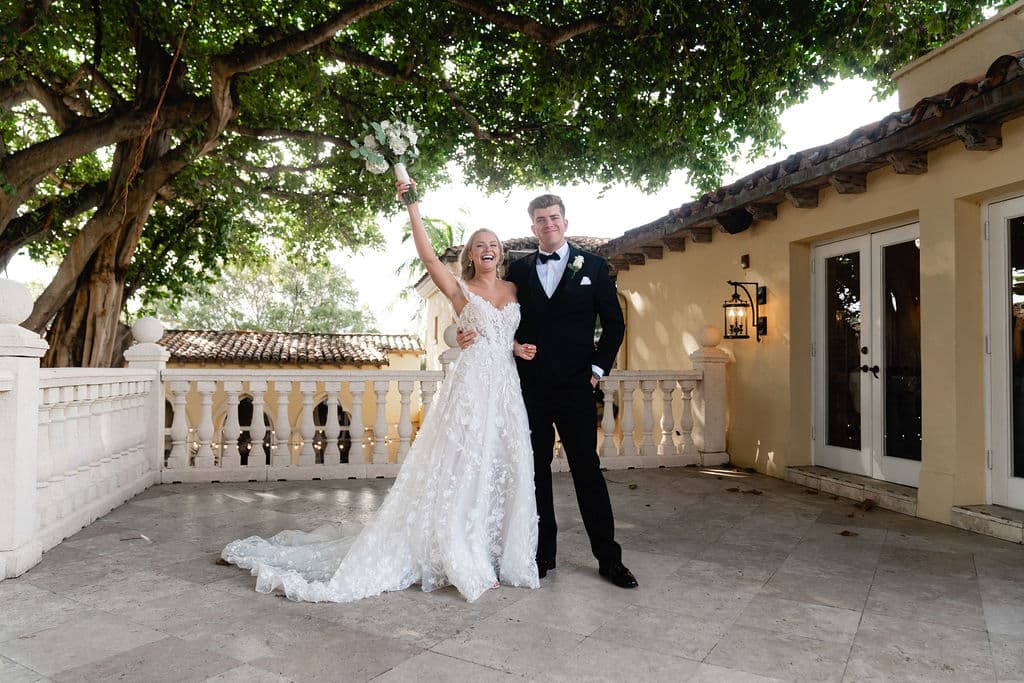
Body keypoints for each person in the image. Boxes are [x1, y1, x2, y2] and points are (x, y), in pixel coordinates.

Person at [220, 178, 540, 602]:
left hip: (506, 387)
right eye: (479, 244)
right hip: (472, 388)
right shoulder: (460, 290)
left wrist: (515, 347)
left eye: (493, 244)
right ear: (469, 255)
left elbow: (501, 333)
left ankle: (497, 552)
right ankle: (465, 555)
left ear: (500, 253)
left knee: (503, 464)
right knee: (466, 468)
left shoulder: (514, 289)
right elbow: (428, 256)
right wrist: (412, 205)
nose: (487, 249)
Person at [457, 193, 637, 589]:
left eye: (554, 217)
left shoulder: (594, 267)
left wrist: (596, 371)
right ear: (533, 227)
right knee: (534, 472)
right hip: (529, 388)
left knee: (587, 470)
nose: (548, 224)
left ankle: (609, 559)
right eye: (540, 219)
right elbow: (495, 319)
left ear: (564, 223)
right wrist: (466, 334)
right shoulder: (518, 272)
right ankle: (542, 555)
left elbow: (614, 324)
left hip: (577, 387)